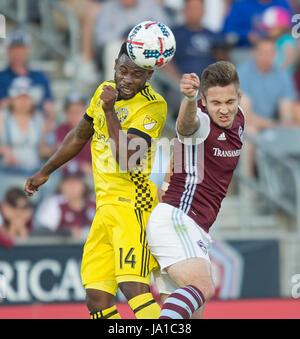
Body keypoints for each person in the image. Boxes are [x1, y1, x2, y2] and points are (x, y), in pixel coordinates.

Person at [25, 42, 167, 319]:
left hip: (133, 205)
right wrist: (46, 170)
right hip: (104, 208)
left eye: (136, 74)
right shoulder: (104, 90)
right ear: (115, 64)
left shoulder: (154, 107)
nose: (126, 78)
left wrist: (110, 111)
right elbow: (80, 133)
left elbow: (128, 158)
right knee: (97, 298)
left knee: (133, 287)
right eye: (123, 70)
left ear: (148, 76)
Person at [146, 61, 245, 319]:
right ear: (204, 100)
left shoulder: (240, 117)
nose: (224, 110)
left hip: (193, 227)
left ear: (239, 96)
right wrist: (189, 100)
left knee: (191, 319)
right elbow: (185, 127)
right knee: (203, 286)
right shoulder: (199, 119)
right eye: (215, 104)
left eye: (229, 101)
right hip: (178, 220)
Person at [0, 76, 53, 200]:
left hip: (33, 175)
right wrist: (5, 151)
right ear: (12, 99)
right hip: (8, 175)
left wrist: (51, 149)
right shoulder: (3, 117)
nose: (23, 102)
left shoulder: (39, 118)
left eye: (26, 98)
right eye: (19, 98)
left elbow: (43, 148)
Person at [93, 0, 170, 80]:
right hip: (120, 46)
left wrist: (143, 38)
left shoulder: (150, 5)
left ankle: (146, 86)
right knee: (114, 47)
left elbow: (164, 30)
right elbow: (100, 37)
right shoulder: (108, 7)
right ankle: (114, 88)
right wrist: (125, 40)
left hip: (145, 46)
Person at [0, 30, 55, 131]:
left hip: (38, 128)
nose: (18, 52)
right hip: (9, 129)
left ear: (27, 49)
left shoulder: (40, 77)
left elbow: (49, 109)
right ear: (8, 50)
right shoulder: (1, 77)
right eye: (15, 48)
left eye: (21, 48)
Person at [163, 0, 227, 83]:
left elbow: (223, 62)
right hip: (181, 85)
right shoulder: (173, 35)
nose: (194, 12)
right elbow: (166, 63)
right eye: (191, 8)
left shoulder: (214, 36)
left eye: (197, 9)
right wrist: (179, 81)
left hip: (210, 84)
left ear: (203, 11)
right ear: (184, 10)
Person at [34, 171, 96, 239]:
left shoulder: (95, 202)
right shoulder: (53, 202)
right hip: (63, 248)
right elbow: (43, 232)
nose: (73, 186)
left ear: (84, 185)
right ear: (61, 186)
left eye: (77, 182)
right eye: (68, 183)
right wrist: (67, 232)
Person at [54, 91, 92, 178]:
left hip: (88, 176)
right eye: (71, 111)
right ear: (66, 113)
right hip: (65, 176)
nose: (75, 115)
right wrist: (81, 165)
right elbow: (60, 162)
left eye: (78, 111)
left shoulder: (95, 131)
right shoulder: (61, 130)